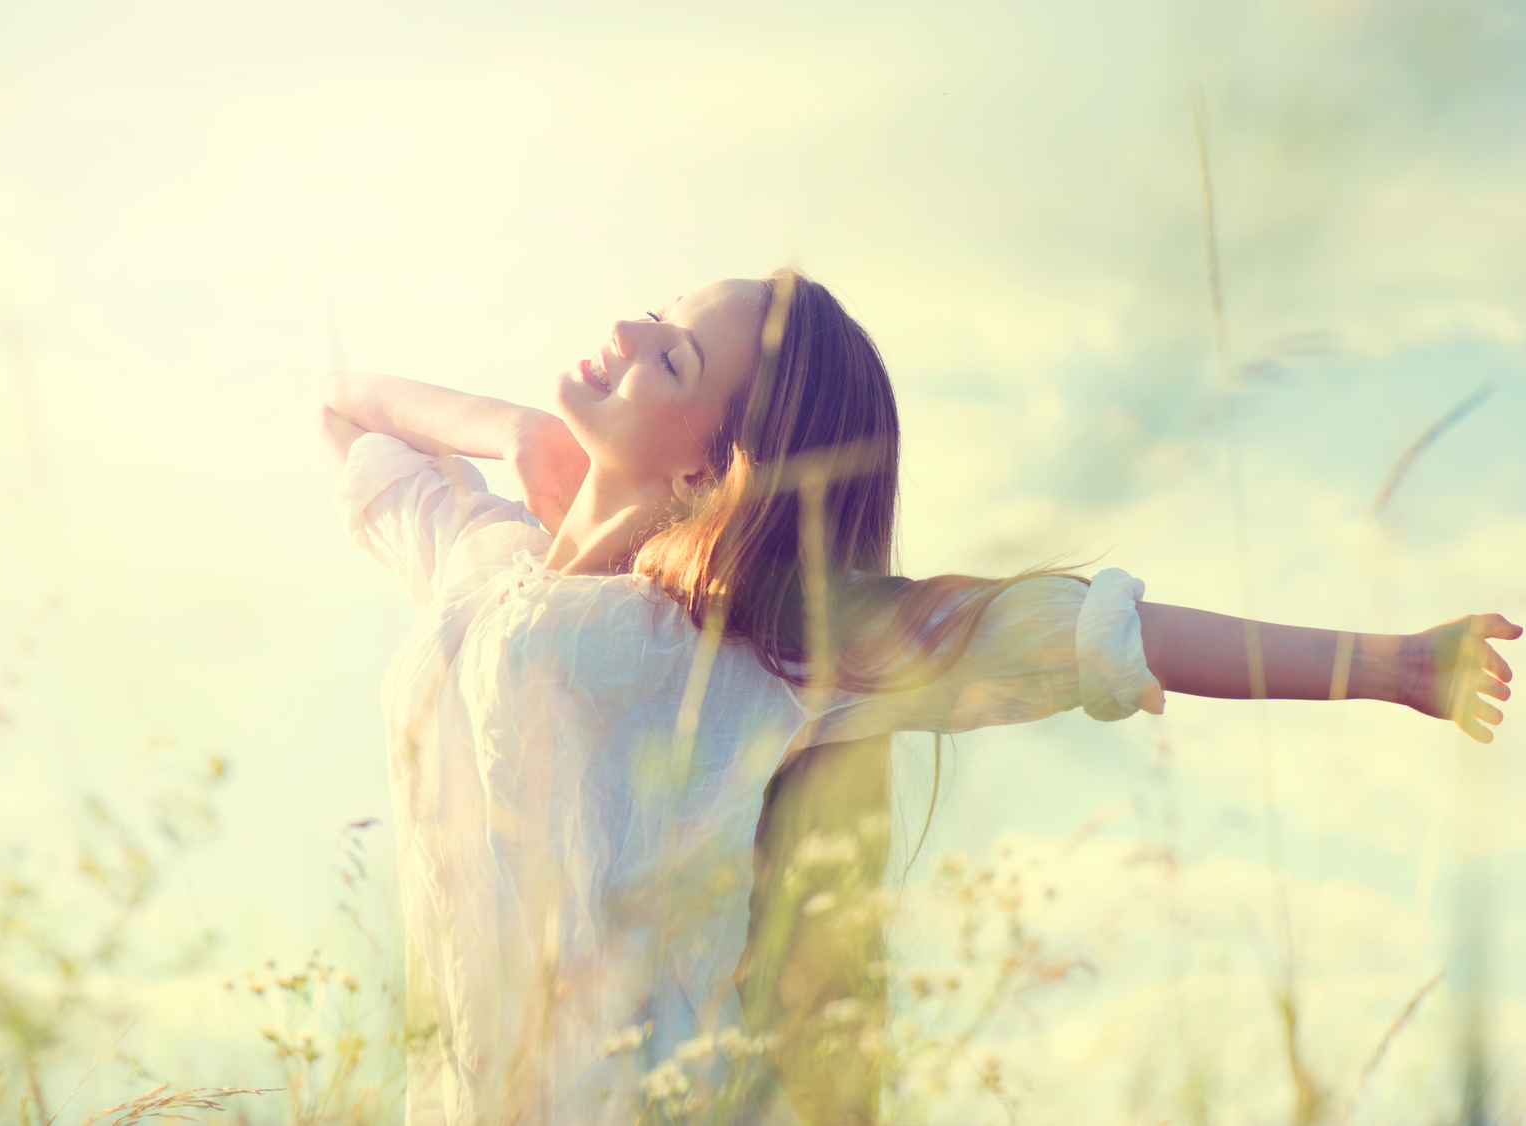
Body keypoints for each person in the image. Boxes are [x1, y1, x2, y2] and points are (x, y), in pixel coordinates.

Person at [322, 270, 1518, 1125]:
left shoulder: (753, 647)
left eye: (673, 355)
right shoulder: (477, 563)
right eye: (664, 311)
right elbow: (349, 408)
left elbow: (1090, 630)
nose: (629, 326)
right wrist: (522, 431)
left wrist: (1389, 665)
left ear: (709, 465)